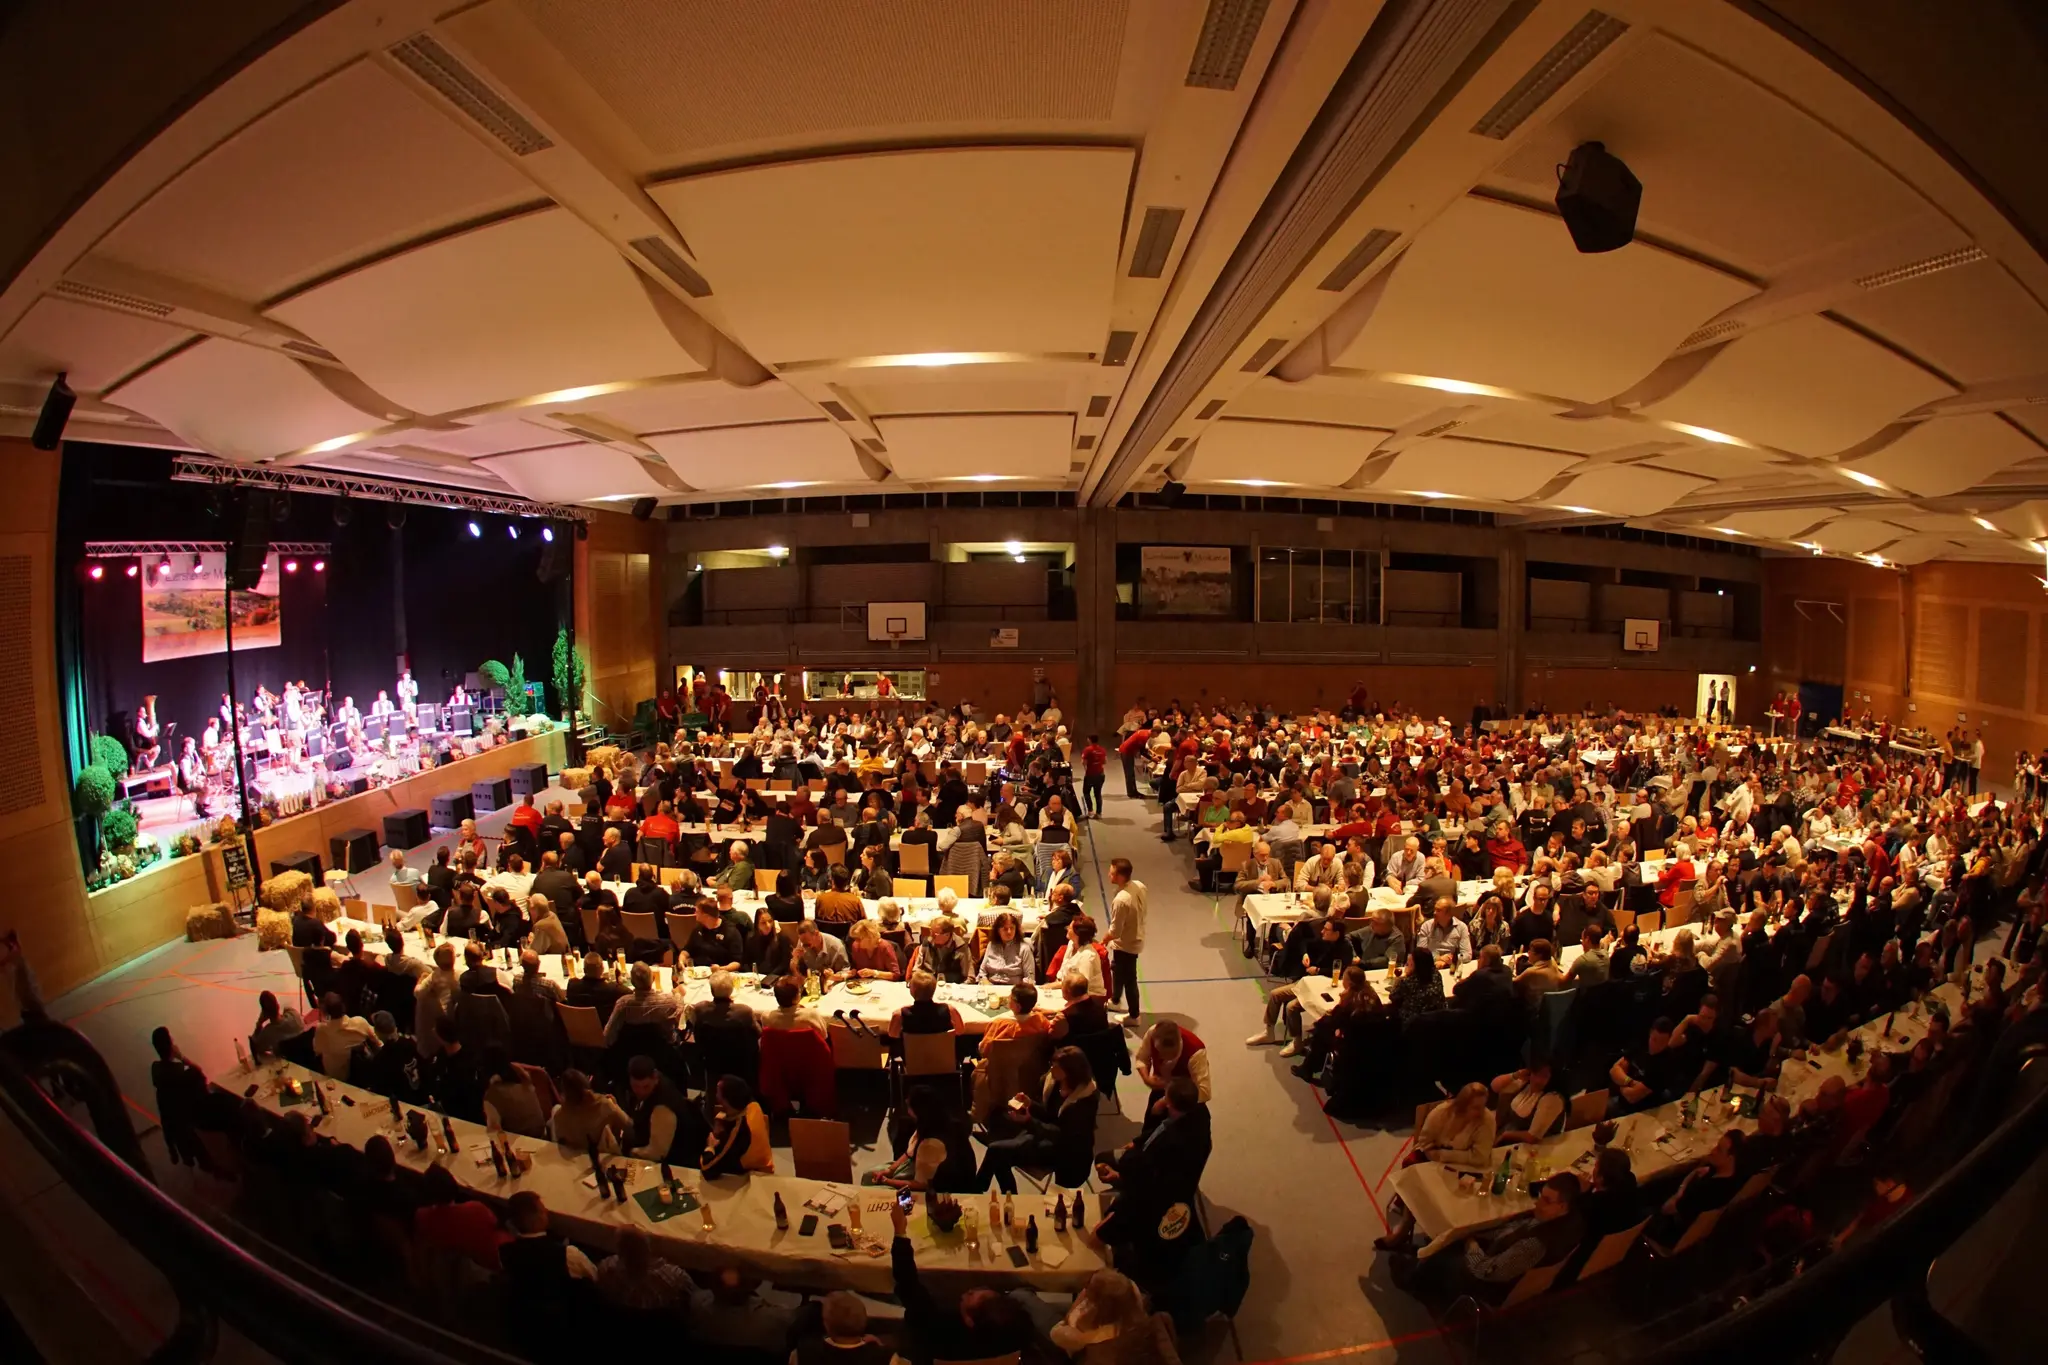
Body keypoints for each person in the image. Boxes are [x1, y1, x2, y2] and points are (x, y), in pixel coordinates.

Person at [888, 1198, 1033, 1365]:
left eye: (974, 1296)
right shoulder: (1017, 1334)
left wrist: (900, 1231)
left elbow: (907, 1282)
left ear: (969, 1321)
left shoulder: (934, 1324)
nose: (972, 1290)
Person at [974, 1046, 1099, 1193]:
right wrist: (1030, 1104)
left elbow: (1060, 1135)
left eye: (1056, 1067)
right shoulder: (1055, 1083)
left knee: (996, 1151)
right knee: (997, 1115)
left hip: (1063, 1150)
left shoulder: (1083, 1102)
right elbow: (1048, 1114)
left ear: (1069, 1072)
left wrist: (1028, 1122)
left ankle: (978, 1190)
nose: (1051, 1069)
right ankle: (1007, 1193)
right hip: (1044, 1132)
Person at [1650, 1130, 1746, 1244]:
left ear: (1730, 1159)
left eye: (1719, 1150)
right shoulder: (1733, 1176)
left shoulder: (1706, 1190)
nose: (1713, 1151)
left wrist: (1680, 1192)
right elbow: (1697, 1172)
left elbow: (1666, 1209)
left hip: (1674, 1230)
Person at [624, 1054, 708, 1166]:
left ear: (655, 1077)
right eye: (636, 1086)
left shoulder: (662, 1108)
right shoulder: (658, 1083)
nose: (640, 1092)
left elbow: (657, 1153)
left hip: (677, 1163)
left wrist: (627, 1152)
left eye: (645, 1087)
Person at [149, 1027, 210, 1169]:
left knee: (181, 1142)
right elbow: (199, 1072)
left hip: (169, 1120)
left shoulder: (155, 1068)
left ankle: (180, 1155)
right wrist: (181, 1057)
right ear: (171, 1045)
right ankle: (208, 1166)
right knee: (199, 1149)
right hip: (184, 1119)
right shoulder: (179, 1071)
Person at [596, 1225, 692, 1312]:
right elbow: (692, 1290)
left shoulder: (606, 1270)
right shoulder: (671, 1276)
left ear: (619, 1252)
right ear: (648, 1249)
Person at [701, 1075, 774, 1176]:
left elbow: (708, 1168)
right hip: (761, 1166)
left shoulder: (741, 1130)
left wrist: (710, 1147)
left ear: (726, 1100)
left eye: (718, 1092)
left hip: (754, 1177)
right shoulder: (752, 1105)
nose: (716, 1095)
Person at [1105, 857, 1148, 1021]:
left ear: (1120, 876)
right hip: (1134, 935)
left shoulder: (1121, 900)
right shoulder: (1139, 885)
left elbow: (1115, 931)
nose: (1109, 875)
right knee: (1118, 970)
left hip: (1127, 943)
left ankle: (1134, 1015)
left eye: (1111, 873)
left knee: (1129, 979)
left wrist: (1103, 940)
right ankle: (1115, 1000)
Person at [549, 1067, 631, 1151]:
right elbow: (629, 1125)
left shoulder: (559, 1116)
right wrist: (615, 1105)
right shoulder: (605, 1105)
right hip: (597, 1154)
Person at [311, 991, 376, 1078]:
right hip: (359, 1076)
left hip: (335, 1076)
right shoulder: (360, 1022)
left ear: (326, 1011)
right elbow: (378, 1039)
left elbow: (317, 1050)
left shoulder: (322, 1029)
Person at [977, 910, 1035, 986]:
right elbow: (982, 972)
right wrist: (986, 983)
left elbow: (1029, 977)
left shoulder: (1024, 948)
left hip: (1014, 988)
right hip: (992, 986)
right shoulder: (991, 945)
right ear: (998, 930)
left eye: (1012, 928)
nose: (1009, 932)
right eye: (1005, 929)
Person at [249, 990, 305, 1060]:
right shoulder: (294, 1015)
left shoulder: (268, 1033)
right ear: (278, 1006)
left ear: (265, 1013)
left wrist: (259, 1023)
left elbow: (255, 1047)